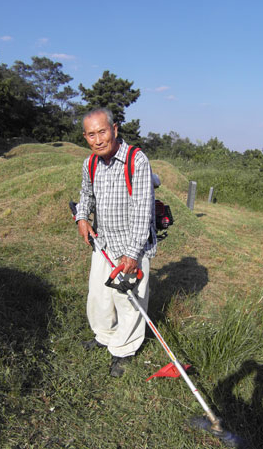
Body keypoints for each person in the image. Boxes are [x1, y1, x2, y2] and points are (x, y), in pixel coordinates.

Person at [75, 108, 157, 377]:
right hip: (103, 242)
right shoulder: (90, 163)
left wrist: (132, 255)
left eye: (102, 132)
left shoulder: (136, 160)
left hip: (132, 244)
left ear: (115, 129)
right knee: (98, 296)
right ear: (85, 137)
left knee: (128, 302)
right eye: (91, 134)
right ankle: (104, 335)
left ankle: (123, 349)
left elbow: (144, 211)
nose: (98, 140)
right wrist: (82, 218)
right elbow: (85, 195)